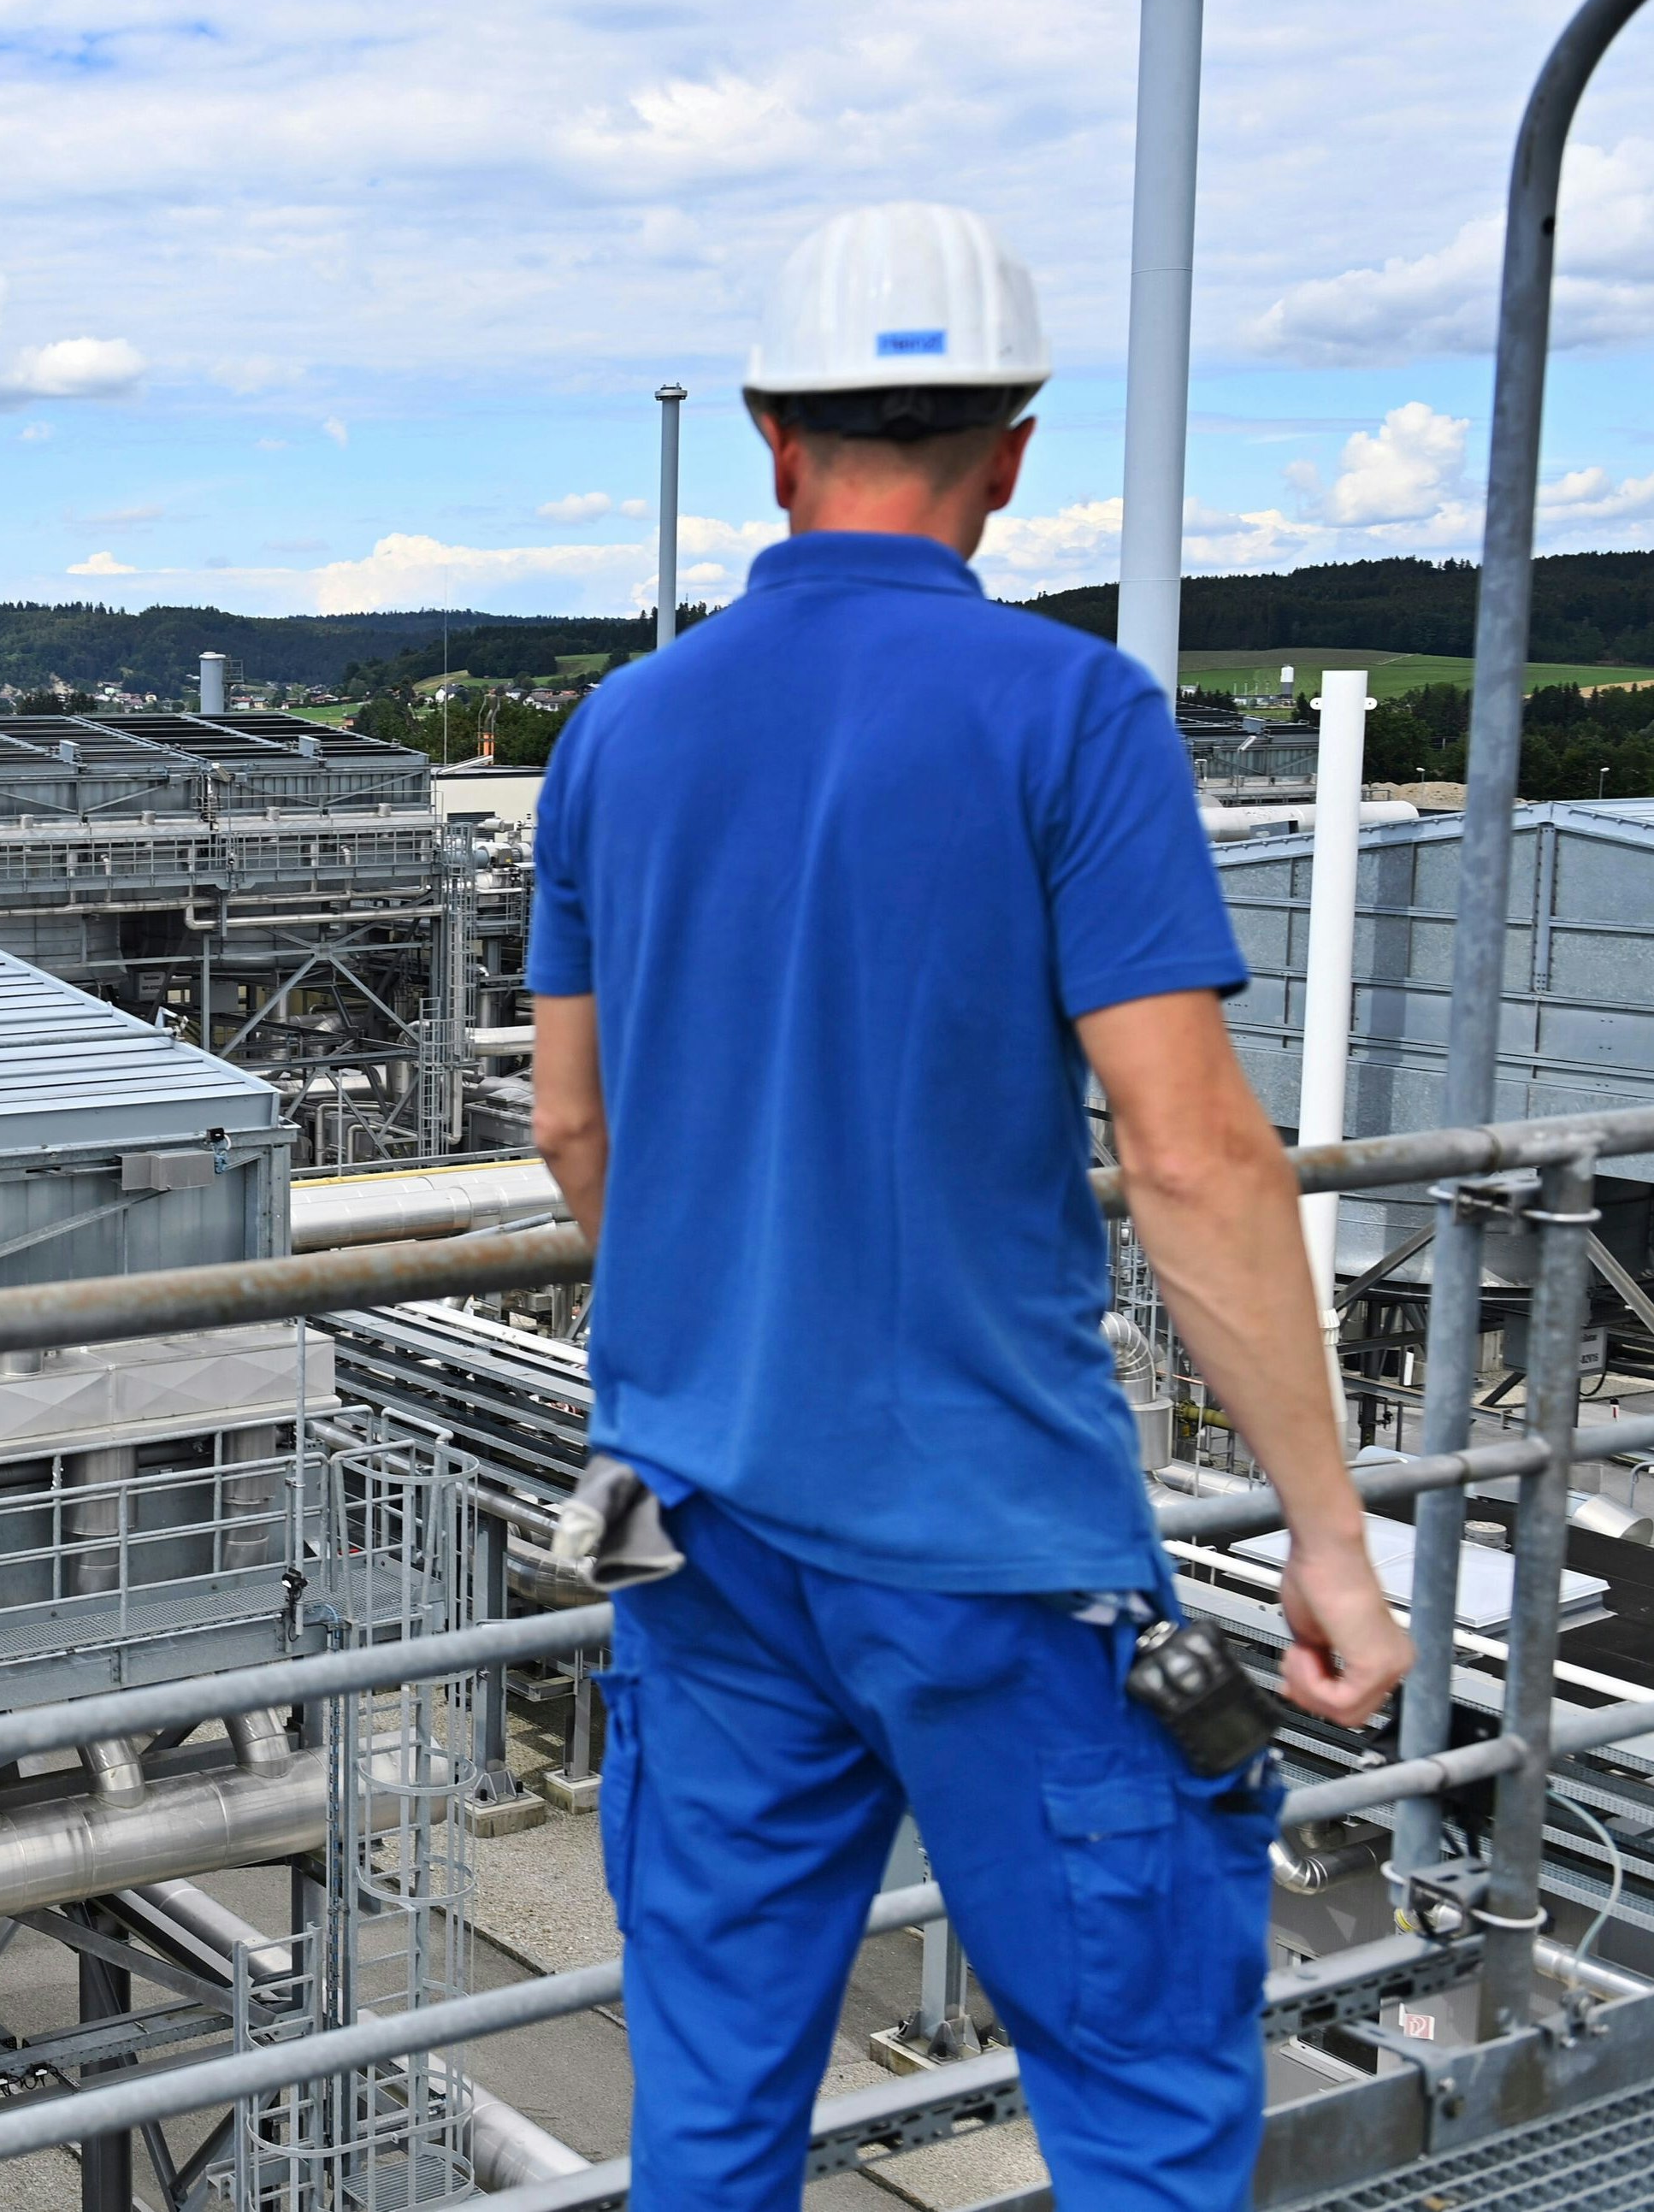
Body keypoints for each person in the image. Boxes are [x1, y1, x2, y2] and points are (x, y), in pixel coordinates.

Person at [527, 202, 1415, 2211]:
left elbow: (573, 1130)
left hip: (698, 1520)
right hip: (989, 1538)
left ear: (768, 435)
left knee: (717, 2104)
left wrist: (719, 1310)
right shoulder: (1066, 710)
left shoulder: (614, 731)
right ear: (1006, 452)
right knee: (1133, 2096)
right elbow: (1187, 1151)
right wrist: (1330, 1545)